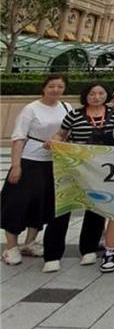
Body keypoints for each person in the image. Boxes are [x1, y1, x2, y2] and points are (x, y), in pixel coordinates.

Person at [46, 82, 114, 272]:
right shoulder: (74, 114)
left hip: (101, 168)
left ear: (107, 95)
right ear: (86, 96)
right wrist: (53, 142)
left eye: (101, 93)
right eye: (92, 93)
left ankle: (89, 249)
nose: (97, 97)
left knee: (97, 207)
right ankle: (52, 254)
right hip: (75, 166)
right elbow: (61, 134)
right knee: (63, 207)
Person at [1, 75, 72, 266]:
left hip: (54, 161)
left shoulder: (66, 107)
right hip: (30, 160)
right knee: (17, 203)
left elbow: (69, 132)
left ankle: (30, 242)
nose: (55, 90)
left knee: (42, 204)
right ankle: (11, 247)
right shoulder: (31, 109)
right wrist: (16, 165)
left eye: (60, 86)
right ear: (44, 88)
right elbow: (18, 137)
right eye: (51, 86)